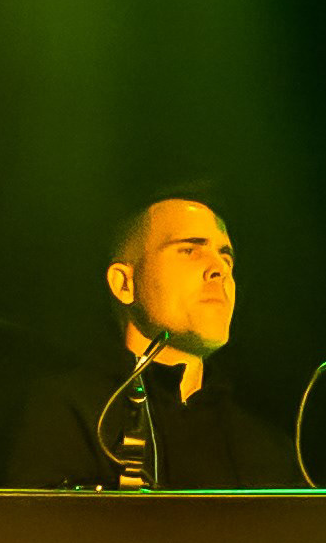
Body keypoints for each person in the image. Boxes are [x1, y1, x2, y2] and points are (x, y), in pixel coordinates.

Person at [15, 193, 291, 488]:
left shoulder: (269, 448)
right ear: (125, 283)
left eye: (226, 258)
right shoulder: (69, 411)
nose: (219, 269)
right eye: (189, 250)